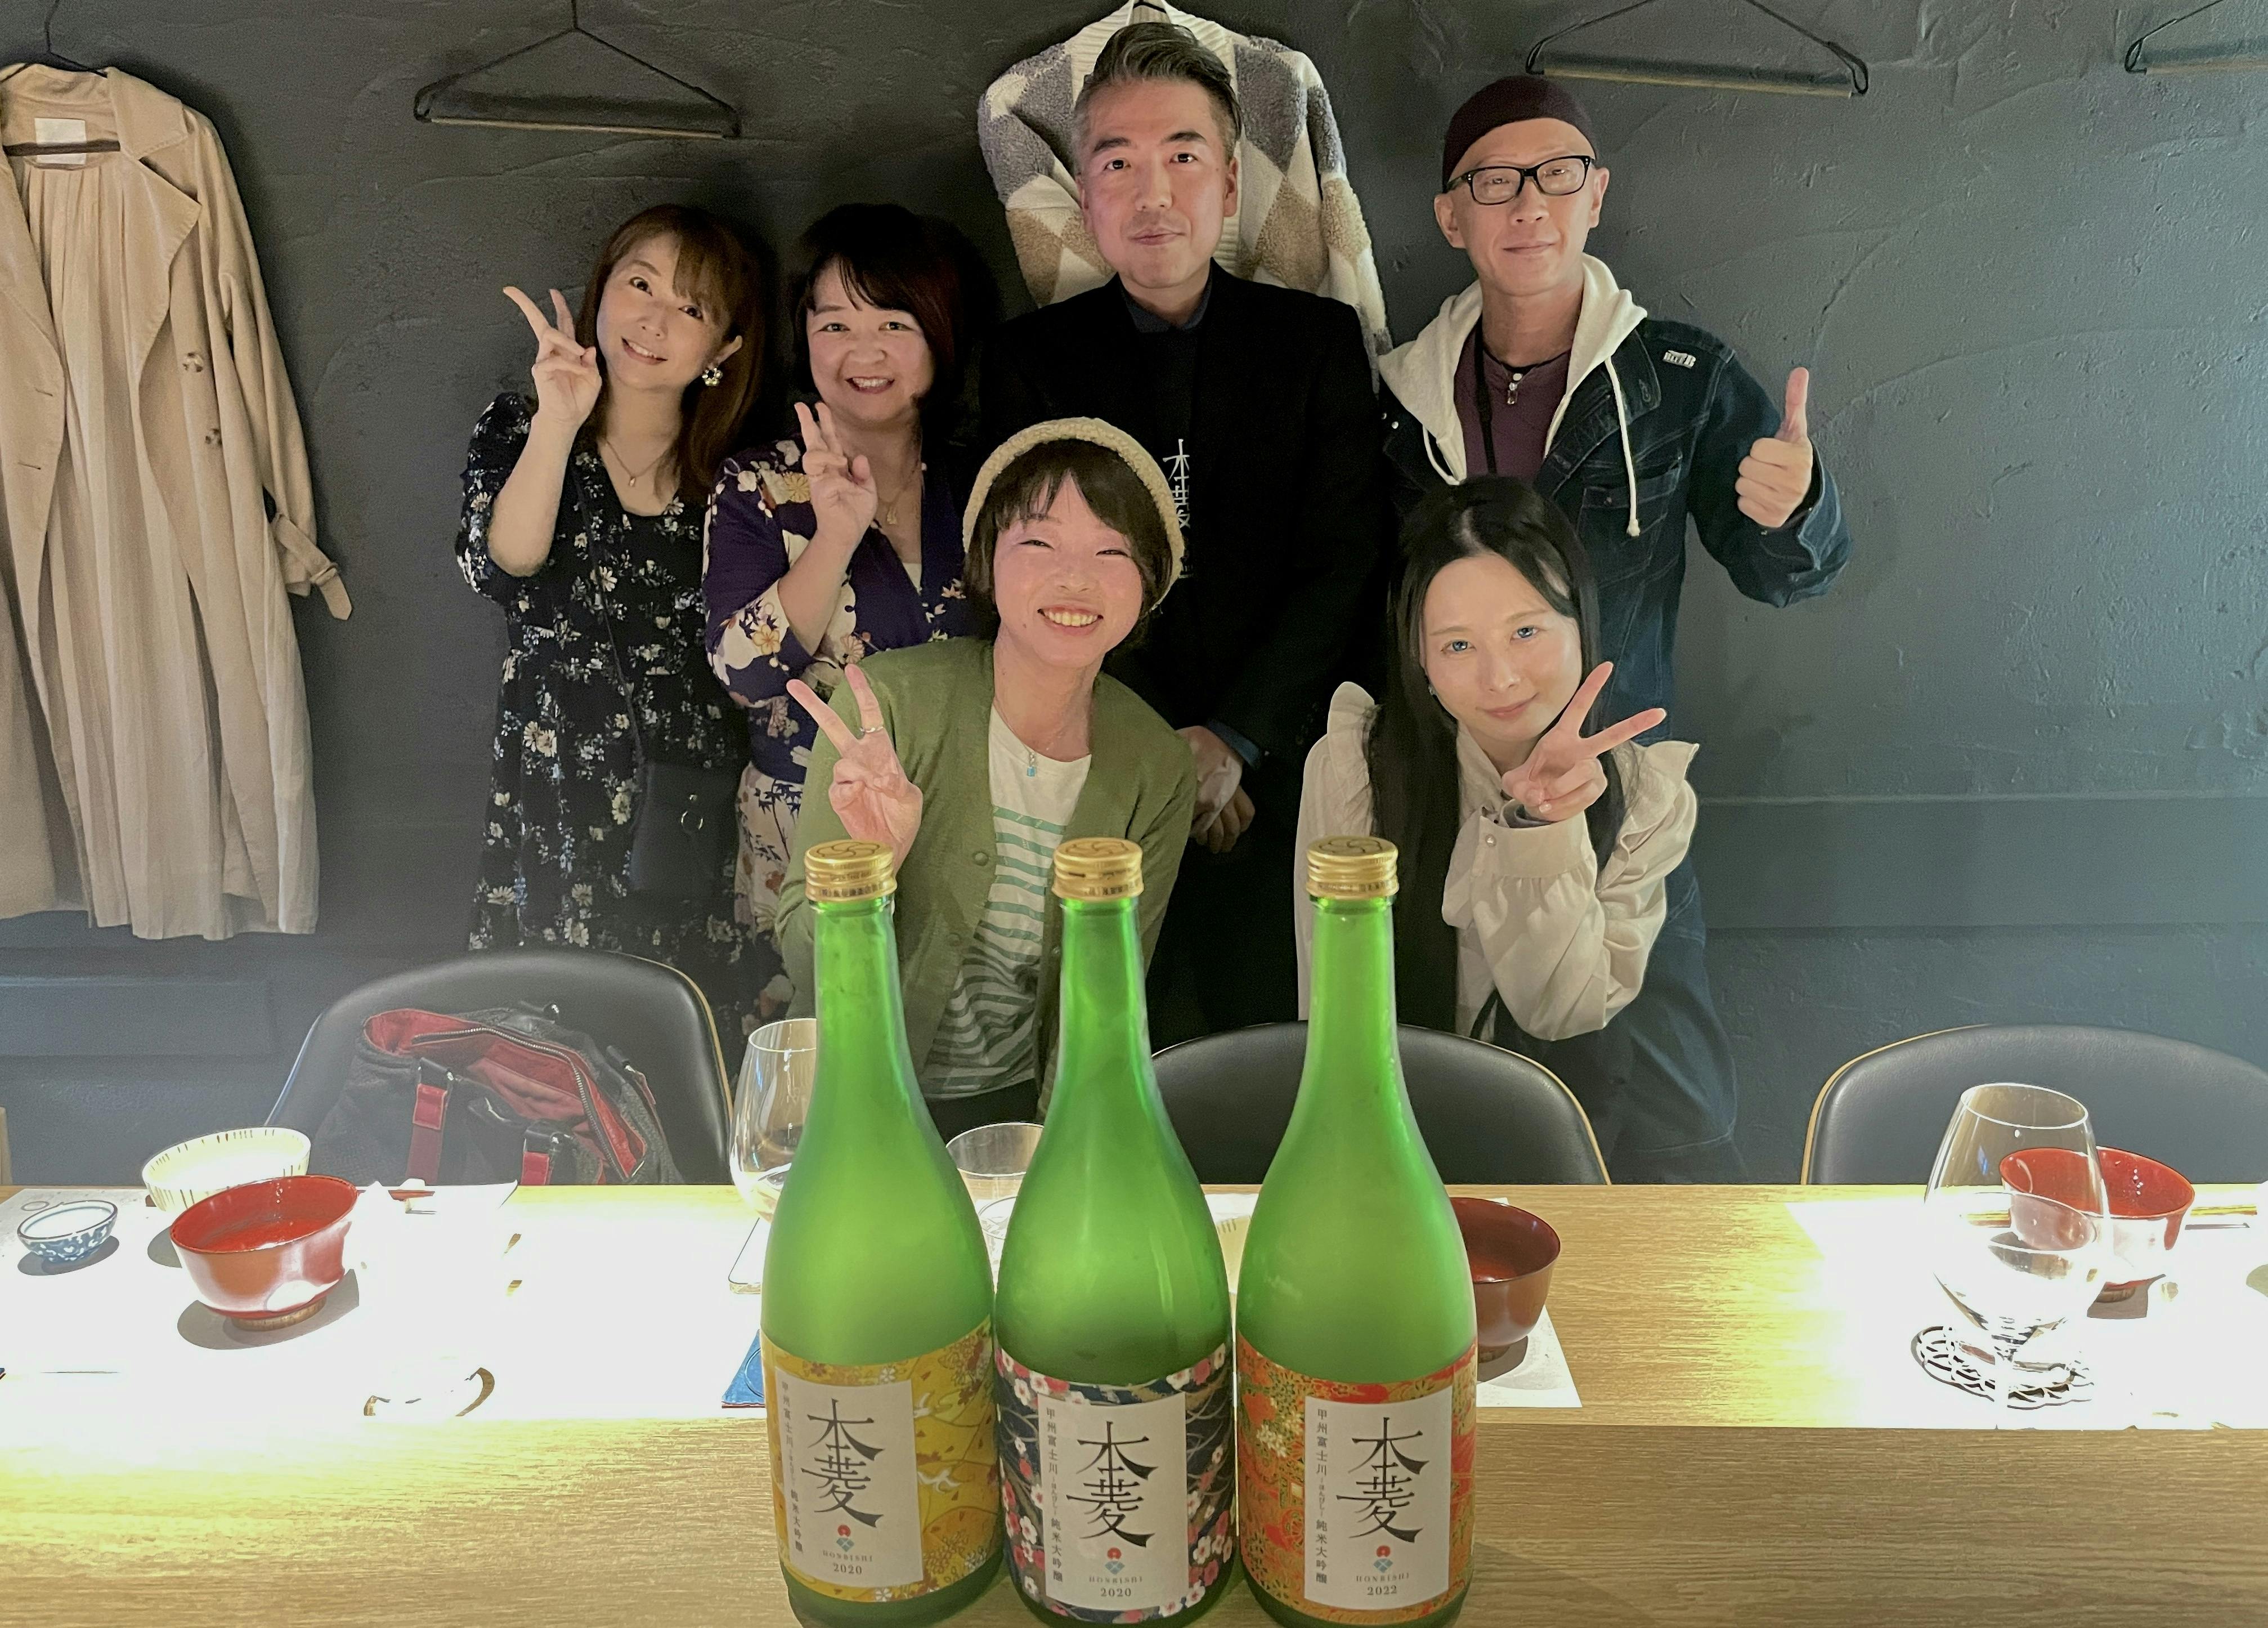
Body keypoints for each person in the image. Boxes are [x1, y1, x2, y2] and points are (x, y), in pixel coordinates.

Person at [1378, 75, 1858, 1177]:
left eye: (1557, 175)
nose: (1527, 204)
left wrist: (1797, 509)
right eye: (1494, 182)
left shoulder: (1678, 379)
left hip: (1624, 801)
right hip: (1445, 792)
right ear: (1450, 216)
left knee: (1672, 1119)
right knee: (1448, 1101)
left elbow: (1786, 577)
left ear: (1596, 196)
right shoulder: (1397, 403)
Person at [981, 20, 1387, 1045]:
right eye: (1117, 162)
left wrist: (1234, 740)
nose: (1151, 192)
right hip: (1101, 776)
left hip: (1287, 769)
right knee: (1107, 1050)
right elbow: (1029, 576)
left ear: (1231, 185)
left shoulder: (1315, 342)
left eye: (1183, 156)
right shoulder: (1031, 362)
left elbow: (1345, 561)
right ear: (1085, 194)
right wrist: (1167, 756)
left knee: (1285, 1055)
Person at [774, 419, 1196, 1139]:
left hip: (1020, 1119)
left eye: (1112, 551)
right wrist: (873, 869)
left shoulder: (1155, 765)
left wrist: (1058, 1154)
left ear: (1150, 584)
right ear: (986, 563)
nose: (1075, 578)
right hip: (849, 1106)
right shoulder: (888, 708)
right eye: (1039, 544)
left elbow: (1109, 1005)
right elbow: (802, 960)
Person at [1298, 478, 1702, 1178]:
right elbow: (1328, 1003)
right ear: (1421, 660)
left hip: (1567, 1149)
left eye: (1526, 632)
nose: (1502, 678)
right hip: (1388, 1142)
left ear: (1581, 624)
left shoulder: (1647, 796)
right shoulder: (1354, 768)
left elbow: (1560, 1011)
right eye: (1458, 646)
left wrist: (1541, 827)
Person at [456, 204, 768, 1038]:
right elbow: (504, 566)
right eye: (639, 285)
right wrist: (559, 419)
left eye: (691, 308)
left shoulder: (738, 478)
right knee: (551, 1054)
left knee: (694, 1041)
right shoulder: (519, 427)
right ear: (603, 290)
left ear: (724, 349)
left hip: (692, 805)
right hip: (555, 794)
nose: (654, 321)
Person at [702, 204, 998, 1025]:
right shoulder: (760, 484)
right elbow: (742, 673)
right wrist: (833, 536)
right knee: (825, 1052)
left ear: (940, 335)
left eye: (894, 324)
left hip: (961, 825)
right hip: (809, 832)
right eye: (834, 324)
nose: (863, 352)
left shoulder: (986, 483)